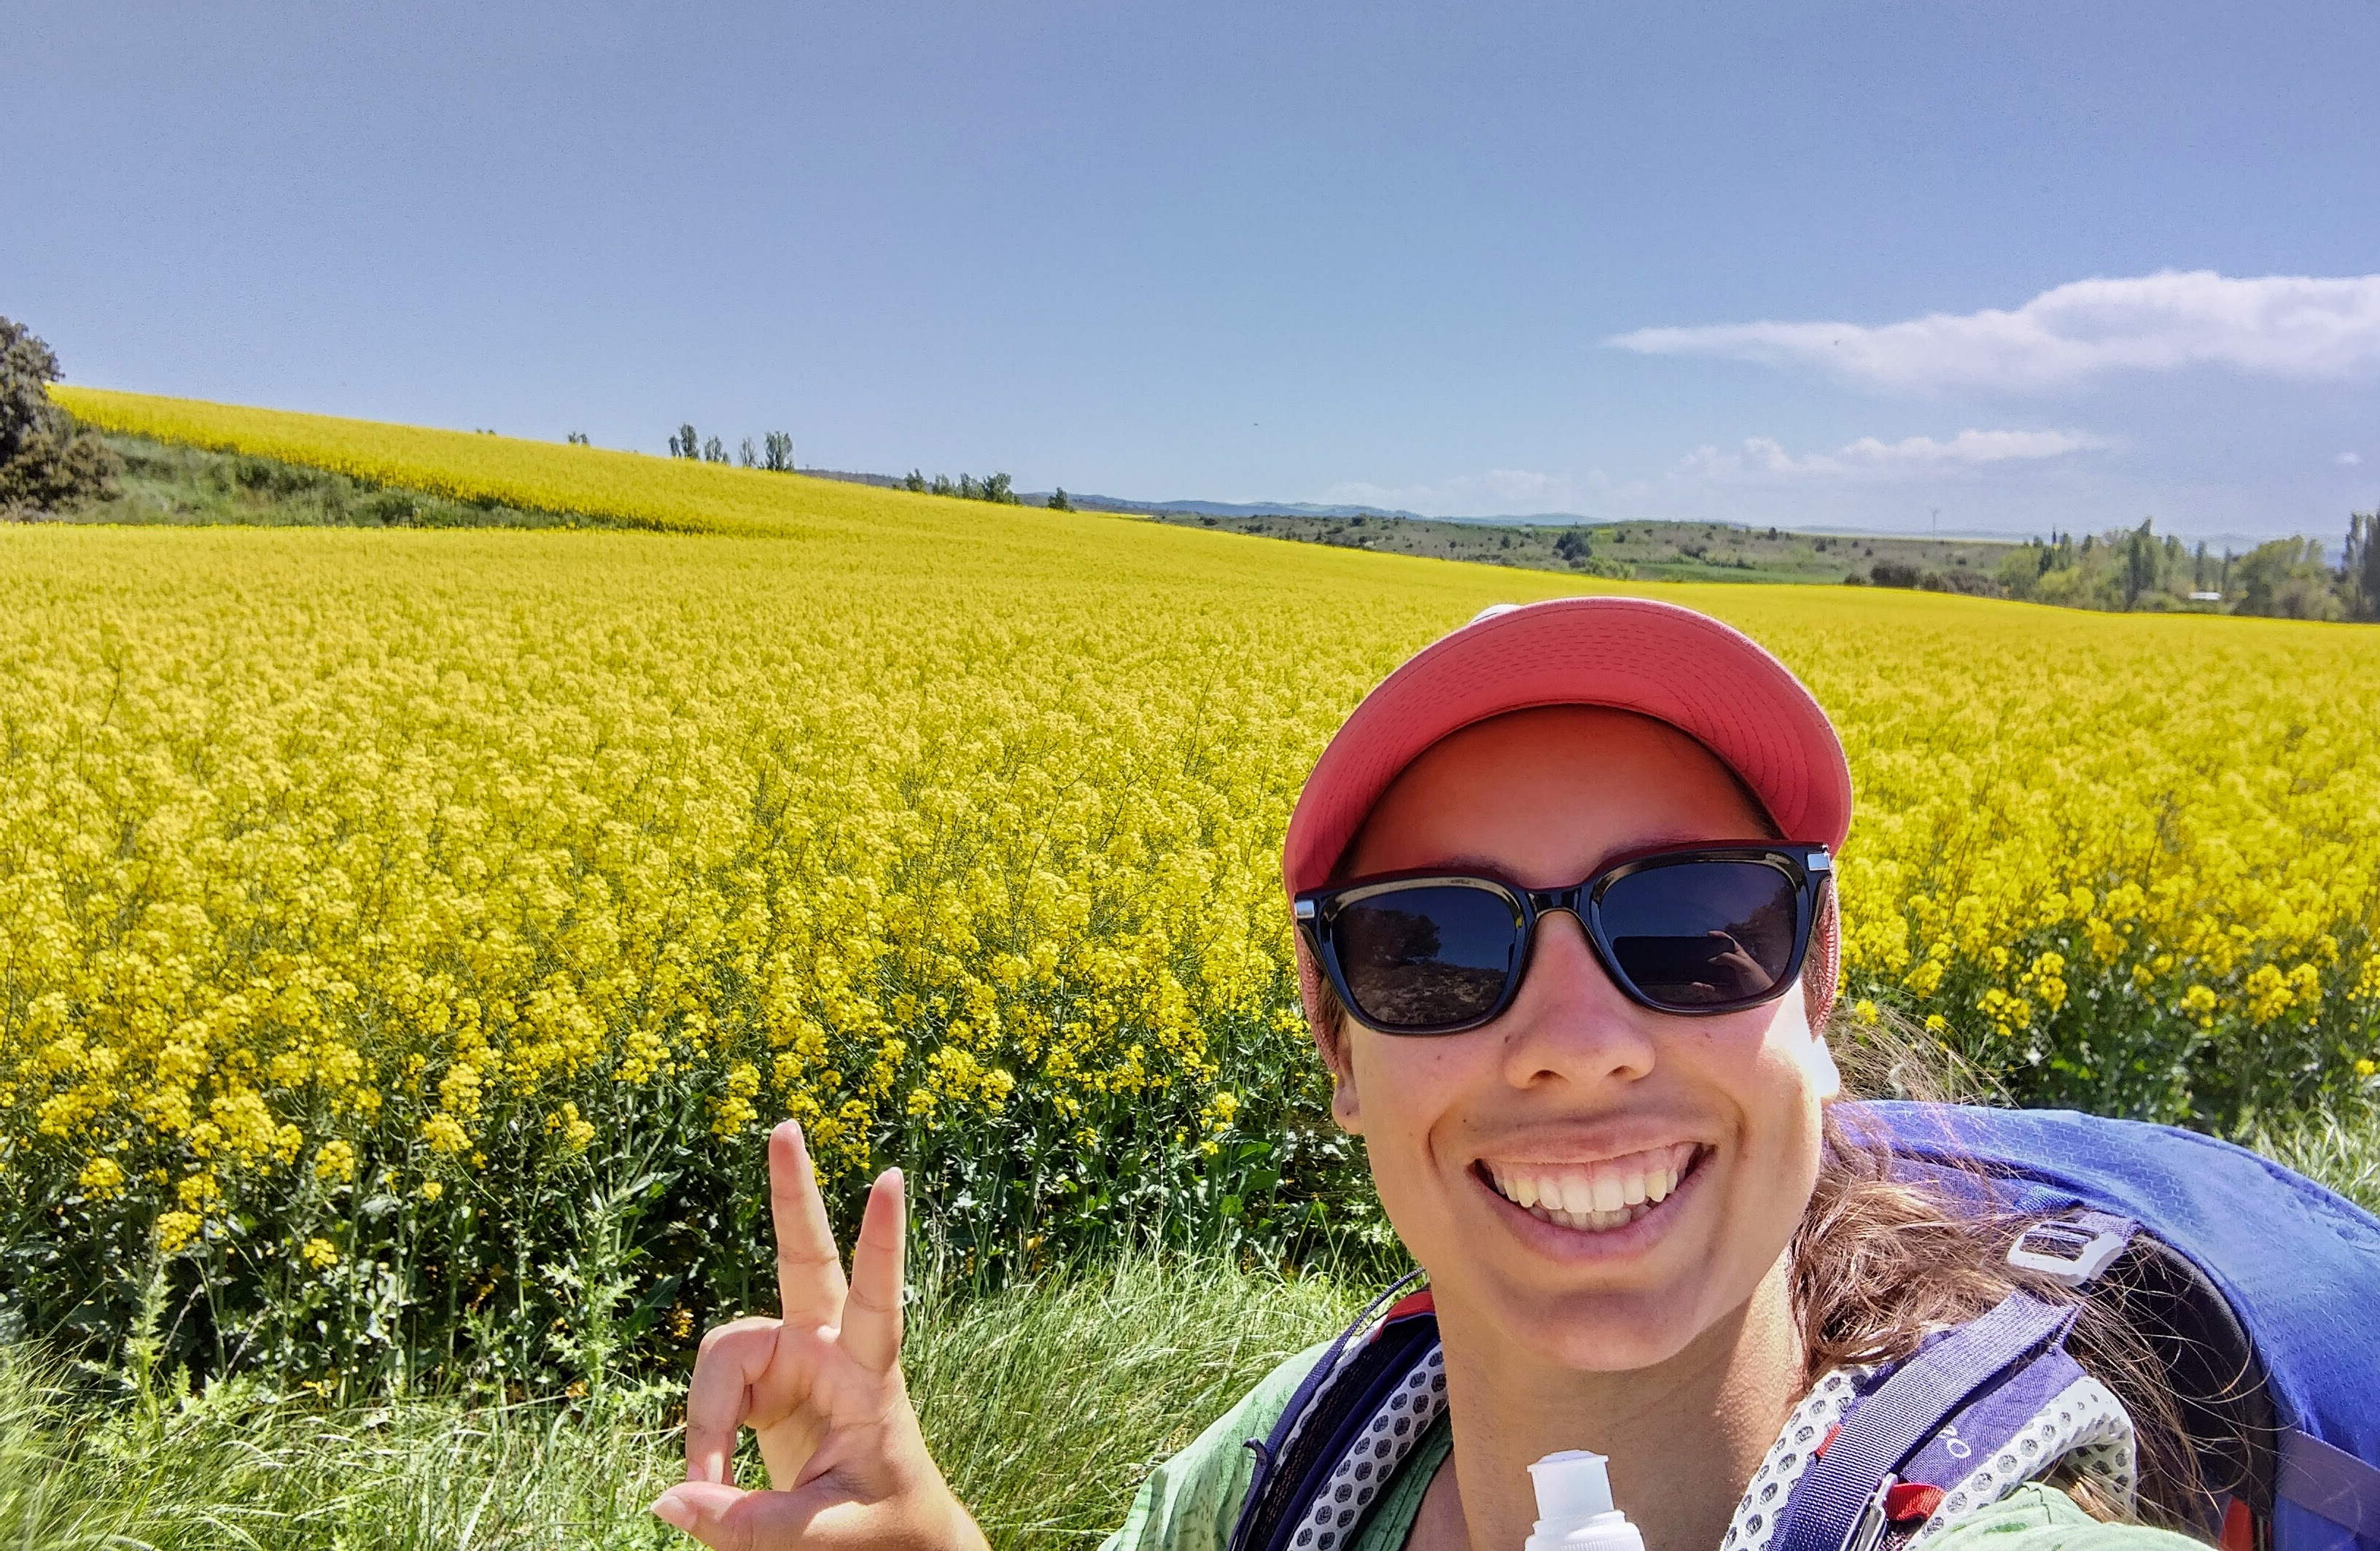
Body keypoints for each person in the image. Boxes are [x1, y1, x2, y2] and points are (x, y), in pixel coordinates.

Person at [649, 598, 2209, 1551]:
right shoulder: (1281, 1469)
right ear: (1336, 1046)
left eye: (1693, 921)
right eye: (1435, 951)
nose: (1575, 1036)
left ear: (1816, 979)